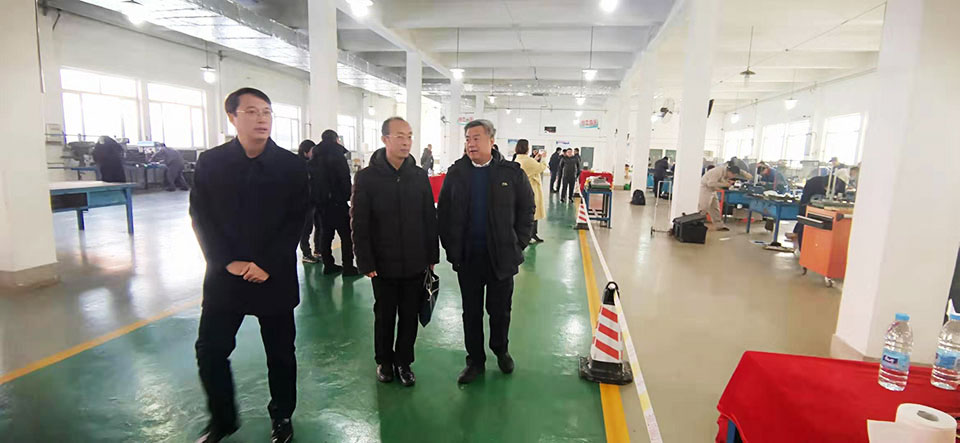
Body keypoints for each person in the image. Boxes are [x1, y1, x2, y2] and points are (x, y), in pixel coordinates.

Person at [189, 87, 307, 443]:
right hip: (226, 277)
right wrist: (227, 261)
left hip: (274, 276)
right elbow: (201, 216)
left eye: (267, 112)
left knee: (281, 354)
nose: (261, 119)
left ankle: (282, 416)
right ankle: (223, 419)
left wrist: (268, 263)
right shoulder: (211, 163)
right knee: (210, 350)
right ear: (232, 117)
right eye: (252, 112)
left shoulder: (290, 166)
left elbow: (298, 218)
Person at [438, 119, 535, 384]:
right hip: (468, 258)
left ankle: (500, 350)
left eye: (476, 138)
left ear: (491, 141)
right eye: (468, 138)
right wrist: (452, 248)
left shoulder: (511, 173)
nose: (471, 143)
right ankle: (475, 361)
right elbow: (444, 212)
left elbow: (527, 209)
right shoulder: (457, 173)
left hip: (501, 257)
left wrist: (518, 243)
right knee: (471, 312)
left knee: (500, 310)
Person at [351, 116, 439, 388]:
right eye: (400, 136)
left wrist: (432, 256)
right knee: (385, 315)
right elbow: (360, 222)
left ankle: (404, 362)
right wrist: (365, 260)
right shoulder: (367, 178)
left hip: (415, 261)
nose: (406, 141)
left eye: (409, 136)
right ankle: (384, 361)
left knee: (410, 315)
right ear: (385, 139)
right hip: (383, 263)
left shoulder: (419, 176)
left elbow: (429, 218)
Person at [308, 130, 359, 276]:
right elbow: (344, 178)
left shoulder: (314, 157)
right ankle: (348, 266)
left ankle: (328, 265)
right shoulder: (337, 155)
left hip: (321, 203)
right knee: (346, 234)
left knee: (326, 234)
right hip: (337, 201)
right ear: (336, 139)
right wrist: (348, 196)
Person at [787, 174, 847, 247]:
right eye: (826, 189)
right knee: (804, 221)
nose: (828, 191)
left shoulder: (841, 185)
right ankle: (801, 245)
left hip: (830, 210)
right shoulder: (812, 183)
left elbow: (842, 199)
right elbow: (804, 201)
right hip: (811, 205)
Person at [514, 139, 547, 243]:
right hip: (531, 188)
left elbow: (531, 165)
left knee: (528, 213)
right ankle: (529, 235)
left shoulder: (518, 158)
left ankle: (532, 234)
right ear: (527, 148)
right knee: (533, 213)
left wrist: (535, 159)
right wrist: (543, 158)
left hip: (522, 189)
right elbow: (541, 167)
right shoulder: (527, 160)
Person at [297, 139, 323, 263]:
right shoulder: (300, 166)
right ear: (305, 152)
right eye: (312, 150)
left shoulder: (313, 164)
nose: (314, 152)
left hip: (315, 199)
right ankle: (306, 253)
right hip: (305, 202)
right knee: (306, 228)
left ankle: (318, 250)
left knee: (319, 225)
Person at [699, 162, 741, 231]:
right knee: (703, 207)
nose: (733, 177)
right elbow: (710, 183)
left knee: (715, 208)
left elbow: (719, 181)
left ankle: (719, 226)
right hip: (705, 189)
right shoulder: (718, 171)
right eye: (733, 175)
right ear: (730, 172)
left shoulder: (724, 173)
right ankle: (697, 224)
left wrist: (726, 182)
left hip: (712, 190)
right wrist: (724, 184)